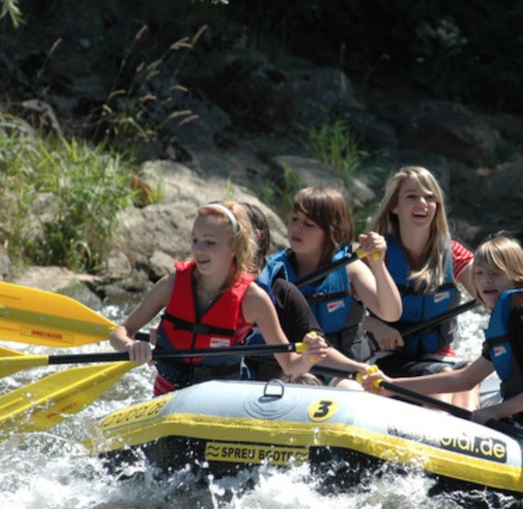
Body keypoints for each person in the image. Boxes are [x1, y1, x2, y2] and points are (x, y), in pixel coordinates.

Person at [363, 234, 523, 433]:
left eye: (495, 273)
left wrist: (495, 410)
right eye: (480, 273)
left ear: (516, 276)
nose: (485, 280)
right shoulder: (508, 317)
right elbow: (465, 379)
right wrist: (392, 385)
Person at [109, 200, 326, 396]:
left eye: (210, 243)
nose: (199, 250)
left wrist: (308, 357)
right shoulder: (172, 285)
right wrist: (131, 345)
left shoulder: (254, 300)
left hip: (218, 401)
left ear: (234, 246)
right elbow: (120, 332)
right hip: (166, 397)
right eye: (195, 240)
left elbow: (289, 365)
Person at [365, 166, 479, 407]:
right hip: (388, 359)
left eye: (430, 197)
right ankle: (442, 432)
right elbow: (349, 313)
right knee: (441, 380)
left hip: (438, 357)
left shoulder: (454, 254)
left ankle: (465, 436)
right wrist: (374, 325)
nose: (422, 203)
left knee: (468, 374)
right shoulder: (377, 255)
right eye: (411, 196)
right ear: (394, 207)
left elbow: (489, 293)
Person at [255, 186, 402, 370]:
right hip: (297, 369)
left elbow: (391, 313)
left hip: (346, 368)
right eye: (294, 219)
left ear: (333, 230)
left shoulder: (350, 269)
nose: (297, 228)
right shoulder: (272, 272)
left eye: (309, 224)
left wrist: (378, 265)